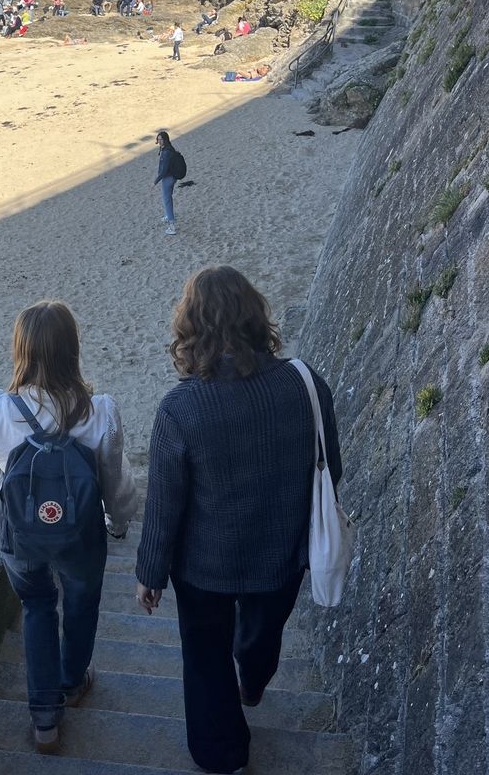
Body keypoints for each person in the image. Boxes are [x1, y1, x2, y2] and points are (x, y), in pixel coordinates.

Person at [135, 266, 342, 775]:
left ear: (190, 328)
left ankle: (222, 755)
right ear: (255, 316)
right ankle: (252, 680)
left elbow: (165, 504)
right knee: (260, 635)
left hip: (204, 565)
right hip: (283, 552)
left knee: (204, 659)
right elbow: (331, 467)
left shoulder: (181, 408)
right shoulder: (305, 383)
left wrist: (150, 574)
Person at [0, 301, 137, 754]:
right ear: (72, 351)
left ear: (20, 351)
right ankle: (72, 680)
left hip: (21, 536)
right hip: (81, 535)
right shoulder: (100, 411)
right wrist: (119, 525)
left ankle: (45, 720)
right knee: (81, 605)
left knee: (37, 606)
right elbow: (117, 485)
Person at [153, 130, 178, 236]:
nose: (159, 141)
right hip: (171, 177)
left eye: (161, 139)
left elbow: (164, 170)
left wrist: (155, 182)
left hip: (168, 178)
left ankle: (172, 226)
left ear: (165, 139)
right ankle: (168, 215)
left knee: (166, 200)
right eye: (158, 139)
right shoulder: (168, 149)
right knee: (168, 198)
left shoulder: (166, 152)